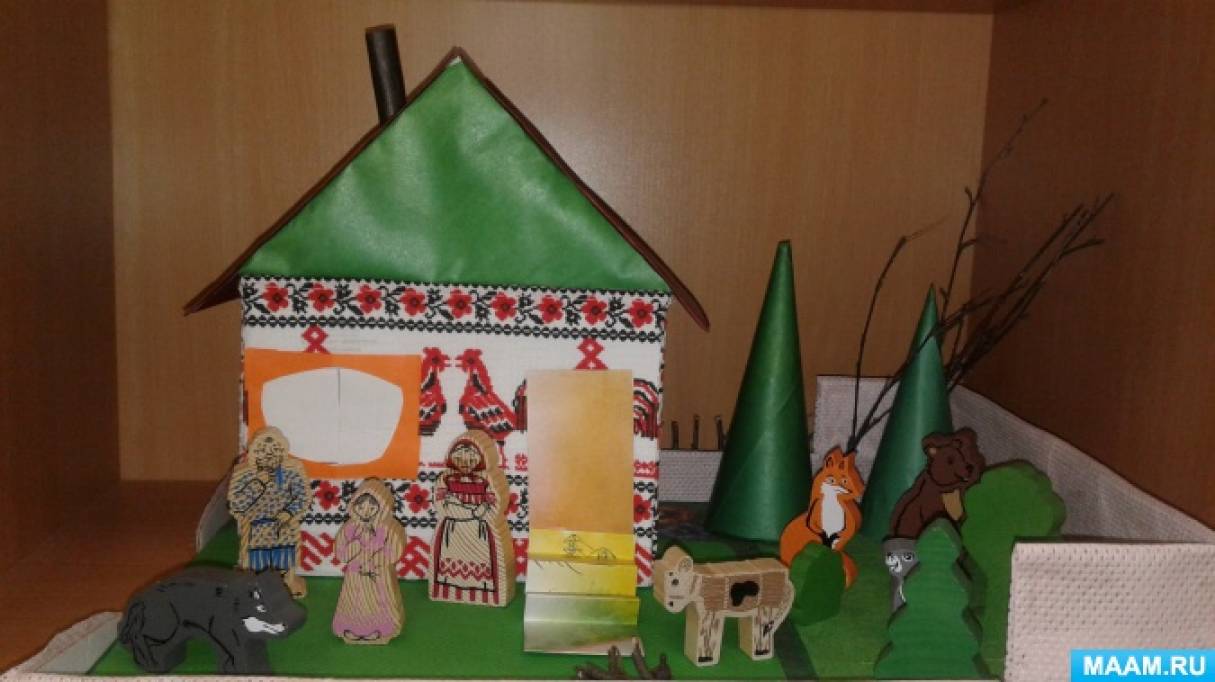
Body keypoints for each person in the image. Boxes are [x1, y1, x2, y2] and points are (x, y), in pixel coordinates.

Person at [429, 429, 514, 605]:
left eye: (471, 459)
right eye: (459, 459)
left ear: (483, 457)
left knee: (481, 561)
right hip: (452, 531)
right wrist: (471, 512)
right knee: (451, 559)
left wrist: (476, 511)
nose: (465, 464)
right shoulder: (446, 479)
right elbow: (442, 505)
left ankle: (484, 591)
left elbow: (495, 505)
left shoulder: (489, 479)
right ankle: (450, 588)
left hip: (480, 532)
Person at [227, 426, 310, 598]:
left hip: (285, 527)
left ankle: (285, 584)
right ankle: (258, 586)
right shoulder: (244, 474)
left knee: (284, 559)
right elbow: (236, 505)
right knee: (257, 562)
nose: (269, 454)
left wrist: (289, 513)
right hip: (256, 530)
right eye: (263, 450)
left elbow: (302, 496)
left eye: (275, 449)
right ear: (253, 452)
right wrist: (257, 484)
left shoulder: (292, 472)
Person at [332, 478, 406, 644]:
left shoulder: (387, 529)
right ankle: (353, 628)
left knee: (378, 602)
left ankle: (379, 629)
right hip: (354, 576)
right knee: (354, 602)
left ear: (382, 507)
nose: (365, 512)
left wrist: (377, 556)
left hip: (378, 576)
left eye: (372, 508)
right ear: (353, 506)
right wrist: (355, 547)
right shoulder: (350, 528)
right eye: (361, 507)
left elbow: (395, 550)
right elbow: (341, 552)